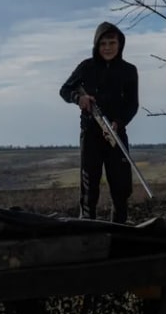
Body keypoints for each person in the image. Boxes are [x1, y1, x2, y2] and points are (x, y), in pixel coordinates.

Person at [58, 22, 139, 223]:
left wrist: (119, 123)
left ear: (120, 44)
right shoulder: (86, 67)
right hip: (91, 134)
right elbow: (65, 90)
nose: (108, 47)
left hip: (116, 134)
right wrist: (80, 99)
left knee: (121, 188)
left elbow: (132, 104)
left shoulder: (129, 70)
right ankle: (86, 232)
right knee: (89, 188)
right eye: (103, 43)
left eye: (112, 42)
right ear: (96, 46)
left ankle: (119, 232)